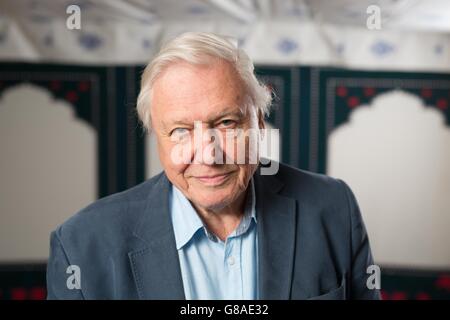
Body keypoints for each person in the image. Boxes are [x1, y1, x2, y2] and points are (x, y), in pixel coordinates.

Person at [46, 32, 380, 300]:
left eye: (226, 123)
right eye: (180, 131)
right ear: (155, 137)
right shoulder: (81, 244)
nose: (208, 155)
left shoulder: (333, 207)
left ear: (259, 123)